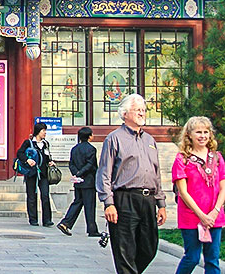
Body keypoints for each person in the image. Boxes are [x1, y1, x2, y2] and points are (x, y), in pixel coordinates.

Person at [96, 93, 167, 274]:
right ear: (125, 113)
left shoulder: (149, 140)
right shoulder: (114, 138)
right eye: (137, 110)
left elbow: (156, 173)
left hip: (148, 199)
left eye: (143, 110)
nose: (142, 113)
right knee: (124, 249)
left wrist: (161, 203)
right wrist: (108, 203)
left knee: (149, 248)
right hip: (124, 199)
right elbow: (105, 173)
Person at [172, 116, 225, 274]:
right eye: (198, 132)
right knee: (192, 257)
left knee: (212, 260)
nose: (202, 136)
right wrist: (201, 215)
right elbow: (183, 191)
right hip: (191, 216)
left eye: (205, 132)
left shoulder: (217, 158)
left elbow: (223, 187)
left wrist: (214, 212)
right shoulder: (182, 159)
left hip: (214, 217)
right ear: (189, 135)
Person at [57, 127, 100, 237]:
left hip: (78, 181)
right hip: (88, 180)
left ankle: (66, 223)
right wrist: (81, 172)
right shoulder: (91, 149)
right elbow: (91, 164)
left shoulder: (74, 149)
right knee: (89, 206)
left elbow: (71, 164)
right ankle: (92, 229)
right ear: (89, 136)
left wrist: (76, 173)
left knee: (78, 202)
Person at [17, 122, 56, 226]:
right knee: (32, 196)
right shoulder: (28, 143)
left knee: (45, 195)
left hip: (43, 174)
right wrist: (27, 160)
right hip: (31, 173)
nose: (45, 133)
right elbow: (19, 153)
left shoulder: (45, 144)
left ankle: (47, 220)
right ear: (38, 131)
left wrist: (50, 162)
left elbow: (47, 156)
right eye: (43, 130)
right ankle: (33, 219)